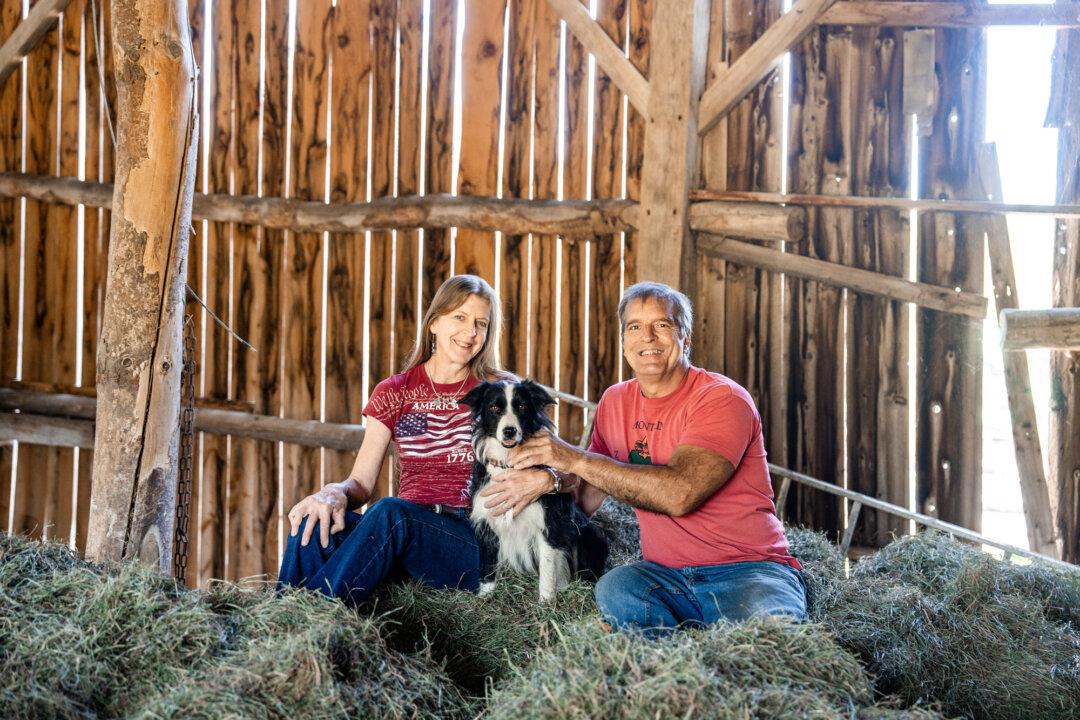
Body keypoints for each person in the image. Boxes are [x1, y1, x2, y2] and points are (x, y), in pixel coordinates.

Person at [483, 281, 807, 635]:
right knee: (616, 588)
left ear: (685, 338)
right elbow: (588, 491)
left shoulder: (723, 399)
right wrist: (547, 481)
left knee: (772, 642)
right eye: (634, 327)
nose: (647, 338)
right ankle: (670, 663)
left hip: (747, 570)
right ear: (623, 341)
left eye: (662, 325)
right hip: (664, 576)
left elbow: (680, 494)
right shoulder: (615, 401)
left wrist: (571, 459)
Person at [278, 274, 556, 604]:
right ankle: (282, 631)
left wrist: (546, 479)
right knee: (312, 523)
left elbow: (557, 462)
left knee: (392, 513)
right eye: (460, 318)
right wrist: (331, 493)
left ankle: (311, 617)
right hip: (404, 533)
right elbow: (361, 484)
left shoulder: (501, 393)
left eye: (481, 323)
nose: (470, 332)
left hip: (473, 537)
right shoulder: (394, 391)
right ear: (434, 322)